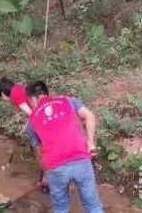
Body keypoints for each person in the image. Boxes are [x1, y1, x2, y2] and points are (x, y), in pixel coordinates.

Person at [25, 81, 103, 213]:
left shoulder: (31, 122)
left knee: (61, 208)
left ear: (33, 98)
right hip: (80, 159)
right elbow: (90, 116)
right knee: (93, 206)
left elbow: (39, 152)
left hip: (55, 167)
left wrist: (45, 176)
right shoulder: (68, 101)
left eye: (29, 102)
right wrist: (90, 143)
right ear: (46, 93)